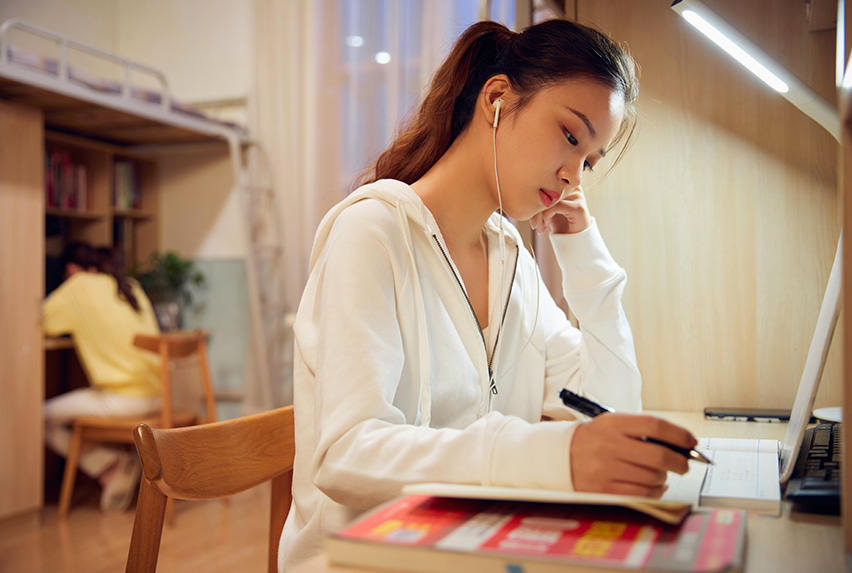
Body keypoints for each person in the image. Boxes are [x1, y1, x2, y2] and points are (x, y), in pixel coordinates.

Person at [279, 19, 698, 569]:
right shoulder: (373, 231)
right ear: (497, 98)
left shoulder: (511, 261)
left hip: (469, 554)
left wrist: (585, 259)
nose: (574, 176)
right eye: (571, 137)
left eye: (589, 162)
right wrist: (552, 455)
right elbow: (346, 454)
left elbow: (609, 408)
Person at [44, 242, 161, 512]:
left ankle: (107, 464)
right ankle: (111, 467)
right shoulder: (129, 284)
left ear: (72, 269)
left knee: (38, 417)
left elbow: (41, 319)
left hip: (124, 399)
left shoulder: (79, 285)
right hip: (157, 394)